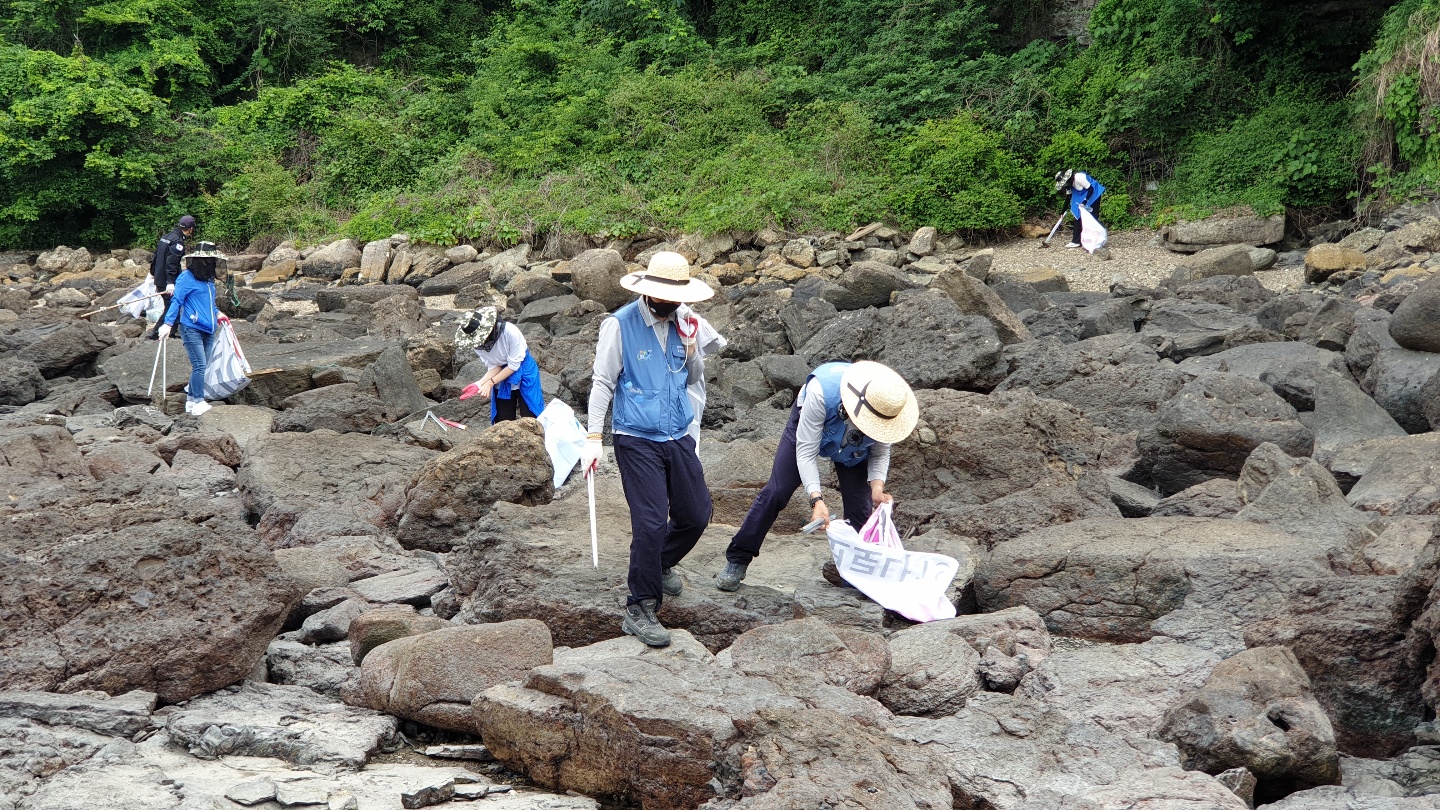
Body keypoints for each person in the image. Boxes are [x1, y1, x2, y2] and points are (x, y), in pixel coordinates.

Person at [581, 251, 717, 647]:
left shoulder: (685, 323)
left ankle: (657, 563)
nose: (671, 306)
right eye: (664, 299)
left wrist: (692, 348)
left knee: (697, 514)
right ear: (648, 294)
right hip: (635, 437)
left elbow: (692, 377)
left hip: (678, 433)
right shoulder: (619, 325)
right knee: (652, 521)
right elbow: (603, 383)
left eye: (676, 300)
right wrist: (593, 438)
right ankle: (639, 606)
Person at [715, 360, 918, 592]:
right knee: (777, 491)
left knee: (861, 512)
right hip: (812, 428)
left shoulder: (888, 412)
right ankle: (738, 559)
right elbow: (806, 451)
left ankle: (856, 579)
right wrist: (816, 499)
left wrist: (877, 489)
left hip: (854, 448)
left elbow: (881, 451)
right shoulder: (822, 393)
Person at [157, 241, 224, 416]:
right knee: (200, 365)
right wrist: (168, 324)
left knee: (202, 366)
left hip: (209, 329)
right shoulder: (186, 278)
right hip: (191, 327)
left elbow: (210, 304)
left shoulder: (209, 281)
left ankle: (192, 401)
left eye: (213, 260)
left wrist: (218, 314)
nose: (211, 264)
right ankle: (199, 401)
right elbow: (177, 301)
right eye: (207, 261)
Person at [455, 306, 546, 423]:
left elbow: (514, 366)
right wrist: (479, 384)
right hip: (501, 377)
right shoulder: (476, 344)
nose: (481, 342)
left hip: (524, 370)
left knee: (531, 416)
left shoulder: (511, 332)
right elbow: (494, 366)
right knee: (503, 419)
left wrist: (490, 383)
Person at [147, 214, 195, 339]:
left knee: (173, 304)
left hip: (159, 277)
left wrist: (152, 273)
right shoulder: (177, 242)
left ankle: (171, 331)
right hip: (166, 280)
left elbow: (155, 256)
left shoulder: (166, 237)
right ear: (190, 229)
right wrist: (171, 282)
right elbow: (171, 263)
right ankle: (157, 332)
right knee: (172, 306)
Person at [1054, 169, 1105, 249]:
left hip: (1094, 193)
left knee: (1093, 216)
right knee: (1077, 214)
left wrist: (1085, 202)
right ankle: (1076, 241)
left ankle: (1097, 239)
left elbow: (1091, 189)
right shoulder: (1068, 186)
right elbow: (1069, 197)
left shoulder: (1079, 178)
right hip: (1081, 194)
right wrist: (1062, 211)